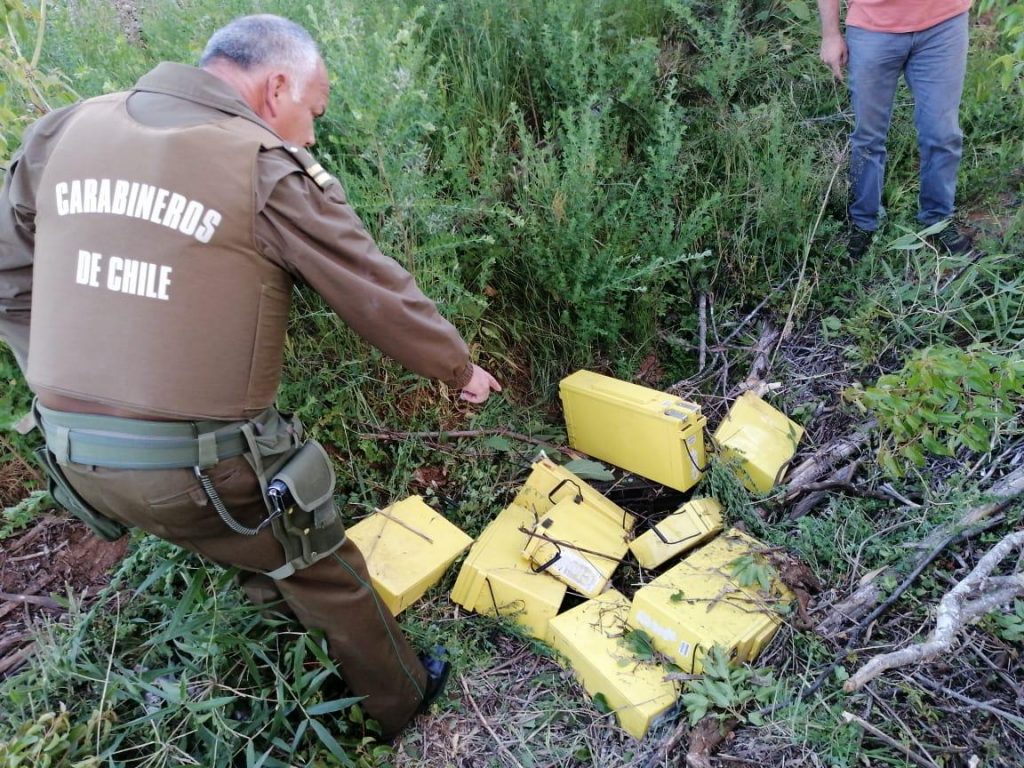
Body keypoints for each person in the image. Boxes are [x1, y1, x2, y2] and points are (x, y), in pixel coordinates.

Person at [0, 14, 501, 740]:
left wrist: (60, 382)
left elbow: (10, 278)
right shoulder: (261, 164)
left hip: (73, 459)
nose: (314, 135)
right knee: (321, 559)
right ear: (276, 88)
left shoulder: (63, 132)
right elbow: (373, 289)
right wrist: (457, 369)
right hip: (191, 472)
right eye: (314, 112)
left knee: (243, 536)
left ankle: (283, 655)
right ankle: (399, 703)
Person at [816, 0, 977, 258]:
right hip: (872, 28)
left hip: (944, 24)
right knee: (868, 136)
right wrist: (830, 34)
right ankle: (863, 223)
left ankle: (938, 220)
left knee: (942, 134)